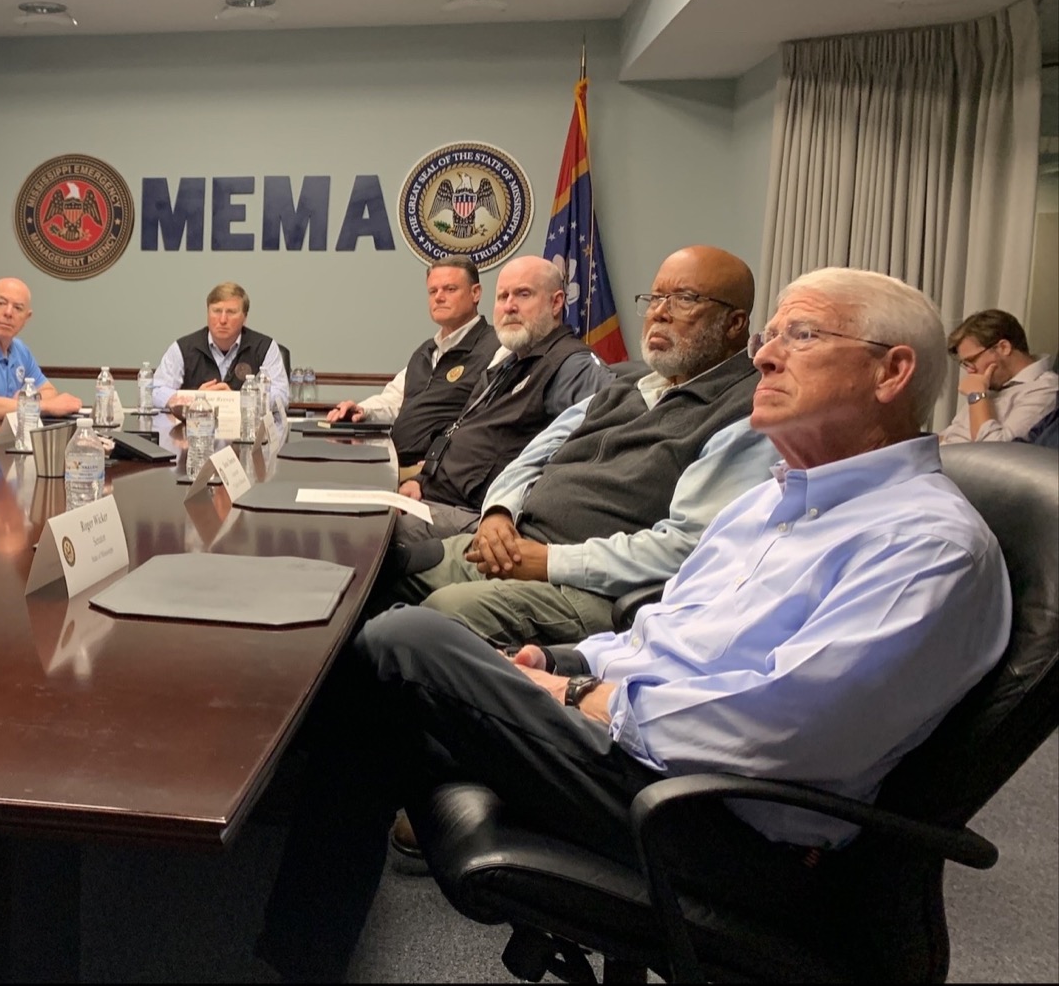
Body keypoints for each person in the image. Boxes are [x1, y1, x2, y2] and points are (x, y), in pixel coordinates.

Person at [256, 267, 1011, 982]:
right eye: (769, 336)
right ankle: (295, 939)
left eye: (802, 336)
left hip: (711, 817)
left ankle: (283, 917)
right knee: (387, 684)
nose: (768, 356)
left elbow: (781, 729)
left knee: (402, 640)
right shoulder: (771, 503)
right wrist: (560, 657)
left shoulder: (926, 544)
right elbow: (663, 634)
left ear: (892, 373)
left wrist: (578, 695)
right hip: (642, 743)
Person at [393, 246, 778, 646]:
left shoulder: (746, 412)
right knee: (383, 574)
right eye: (655, 298)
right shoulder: (629, 385)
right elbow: (532, 458)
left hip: (594, 590)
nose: (660, 313)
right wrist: (498, 513)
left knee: (437, 616)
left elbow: (687, 547)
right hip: (514, 543)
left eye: (684, 300)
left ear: (734, 323)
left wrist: (550, 563)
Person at [390, 255, 612, 547]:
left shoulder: (572, 366)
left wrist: (506, 512)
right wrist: (422, 481)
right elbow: (463, 430)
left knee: (373, 532)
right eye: (503, 296)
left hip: (482, 518)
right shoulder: (508, 362)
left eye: (523, 294)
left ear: (556, 303)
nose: (509, 306)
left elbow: (595, 458)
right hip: (434, 495)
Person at [325, 257, 498, 467]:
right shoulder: (426, 351)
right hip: (395, 463)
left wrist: (434, 468)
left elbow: (485, 425)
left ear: (475, 293)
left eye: (450, 289)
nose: (439, 297)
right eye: (433, 291)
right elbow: (394, 400)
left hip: (437, 472)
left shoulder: (495, 348)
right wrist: (361, 410)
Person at [0, 276, 83, 425]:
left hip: (6, 440)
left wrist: (23, 401)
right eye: (1, 303)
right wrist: (44, 406)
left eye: (18, 308)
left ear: (27, 317)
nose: (8, 313)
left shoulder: (20, 349)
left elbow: (49, 391)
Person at [150, 281, 290, 414]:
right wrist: (194, 398)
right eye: (216, 311)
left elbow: (281, 396)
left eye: (231, 312)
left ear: (244, 317)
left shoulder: (264, 347)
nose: (222, 320)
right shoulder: (183, 348)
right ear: (208, 313)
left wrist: (238, 400)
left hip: (247, 434)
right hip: (194, 432)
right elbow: (155, 390)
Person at [938, 309, 1056, 443]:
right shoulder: (992, 384)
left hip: (962, 462)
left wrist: (976, 395)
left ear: (1004, 347)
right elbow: (950, 435)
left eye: (972, 360)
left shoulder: (1044, 389)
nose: (970, 371)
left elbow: (993, 452)